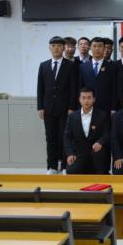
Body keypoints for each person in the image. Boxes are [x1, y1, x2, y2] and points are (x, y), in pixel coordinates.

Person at [37, 36, 77, 174]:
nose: (56, 48)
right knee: (50, 138)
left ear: (63, 48)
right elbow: (40, 88)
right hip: (48, 109)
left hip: (65, 110)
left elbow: (73, 89)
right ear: (49, 48)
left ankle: (65, 166)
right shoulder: (44, 65)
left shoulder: (70, 65)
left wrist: (72, 107)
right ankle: (52, 166)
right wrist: (40, 107)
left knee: (65, 138)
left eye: (59, 46)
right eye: (53, 45)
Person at [64, 88, 111, 175]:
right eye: (83, 98)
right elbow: (67, 137)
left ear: (94, 99)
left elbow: (107, 133)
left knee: (99, 157)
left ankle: (101, 174)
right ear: (79, 99)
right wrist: (70, 154)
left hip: (96, 153)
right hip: (80, 153)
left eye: (89, 98)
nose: (86, 100)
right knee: (71, 171)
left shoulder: (102, 115)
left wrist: (100, 142)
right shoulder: (72, 117)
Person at [79, 37, 118, 118]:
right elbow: (80, 87)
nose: (97, 49)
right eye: (94, 46)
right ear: (90, 48)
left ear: (104, 48)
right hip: (87, 106)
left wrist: (114, 108)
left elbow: (115, 88)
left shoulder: (112, 67)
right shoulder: (82, 67)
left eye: (100, 46)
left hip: (106, 107)